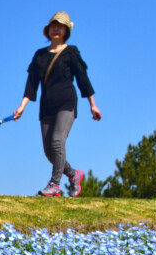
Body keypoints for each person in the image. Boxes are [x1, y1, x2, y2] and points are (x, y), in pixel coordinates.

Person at [13, 11, 101, 197]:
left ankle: (54, 185)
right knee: (49, 151)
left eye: (60, 25)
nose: (56, 28)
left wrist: (93, 104)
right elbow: (31, 84)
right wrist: (22, 107)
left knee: (57, 142)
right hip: (46, 106)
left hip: (66, 103)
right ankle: (73, 174)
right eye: (53, 25)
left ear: (66, 30)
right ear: (48, 29)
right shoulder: (39, 55)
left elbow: (83, 79)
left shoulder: (71, 52)